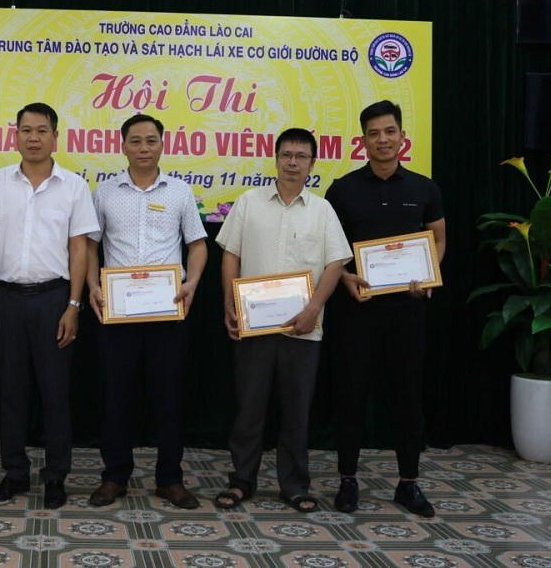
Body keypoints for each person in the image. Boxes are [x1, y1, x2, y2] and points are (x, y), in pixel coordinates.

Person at [215, 128, 352, 512]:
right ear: (275, 159)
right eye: (287, 155)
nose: (293, 162)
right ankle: (242, 480)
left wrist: (313, 309)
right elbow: (231, 254)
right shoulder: (249, 202)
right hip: (253, 327)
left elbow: (335, 263)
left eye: (301, 156)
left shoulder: (322, 210)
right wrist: (229, 302)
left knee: (296, 412)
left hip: (303, 329)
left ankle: (294, 485)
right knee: (249, 408)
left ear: (312, 163)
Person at [325, 100, 446, 518]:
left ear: (402, 137)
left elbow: (438, 239)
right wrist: (345, 278)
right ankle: (347, 481)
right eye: (374, 133)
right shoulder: (342, 190)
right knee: (350, 395)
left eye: (389, 131)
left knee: (407, 397)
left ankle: (408, 483)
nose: (382, 140)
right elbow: (330, 250)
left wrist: (428, 274)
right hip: (356, 311)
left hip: (408, 312)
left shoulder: (425, 189)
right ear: (362, 141)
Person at [0, 102, 99, 509]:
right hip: (6, 298)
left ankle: (55, 476)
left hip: (53, 299)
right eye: (26, 130)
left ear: (55, 137)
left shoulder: (74, 187)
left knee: (55, 392)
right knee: (11, 391)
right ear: (15, 136)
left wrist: (73, 305)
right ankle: (14, 473)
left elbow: (79, 248)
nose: (33, 138)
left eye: (41, 130)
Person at [86, 113, 207, 510]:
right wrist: (92, 286)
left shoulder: (180, 192)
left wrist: (192, 283)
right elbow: (90, 246)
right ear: (122, 146)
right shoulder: (105, 192)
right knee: (115, 396)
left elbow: (197, 245)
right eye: (135, 141)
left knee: (169, 396)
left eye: (151, 140)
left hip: (167, 311)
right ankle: (114, 476)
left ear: (162, 144)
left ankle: (170, 479)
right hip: (118, 312)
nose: (143, 148)